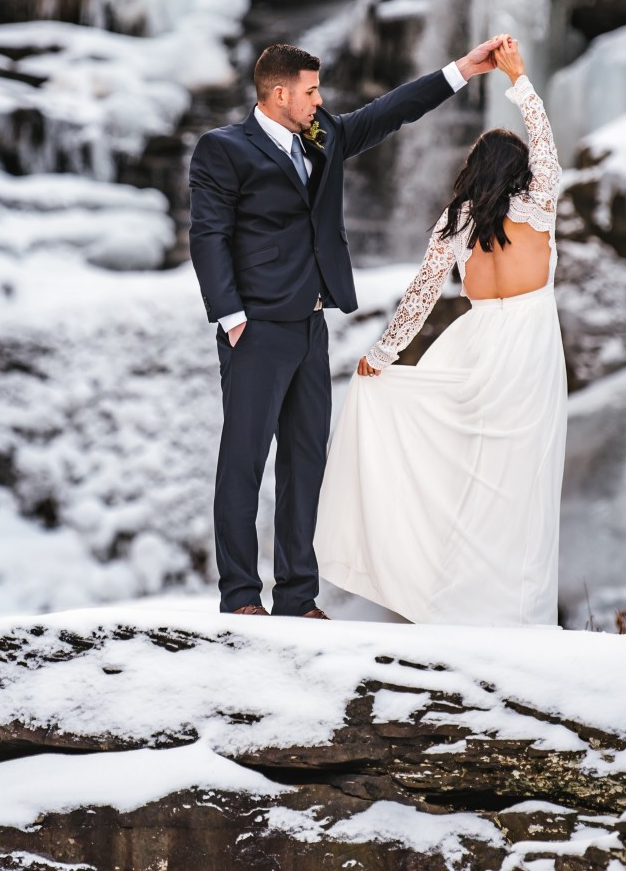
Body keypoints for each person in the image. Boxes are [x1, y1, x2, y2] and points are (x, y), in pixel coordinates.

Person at [188, 35, 510, 618]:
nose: (319, 100)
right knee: (244, 461)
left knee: (305, 462)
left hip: (312, 325)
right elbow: (207, 233)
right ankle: (239, 596)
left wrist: (462, 70)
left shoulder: (322, 135)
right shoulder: (222, 149)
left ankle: (296, 596)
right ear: (279, 93)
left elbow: (389, 112)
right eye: (311, 91)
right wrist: (230, 315)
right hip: (255, 328)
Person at [315, 37, 569, 626]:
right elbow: (550, 153)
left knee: (466, 479)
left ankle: (454, 602)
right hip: (528, 349)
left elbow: (422, 296)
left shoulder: (455, 224)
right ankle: (517, 613)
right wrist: (520, 81)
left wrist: (382, 355)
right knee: (522, 484)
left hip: (473, 347)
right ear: (521, 173)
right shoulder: (538, 206)